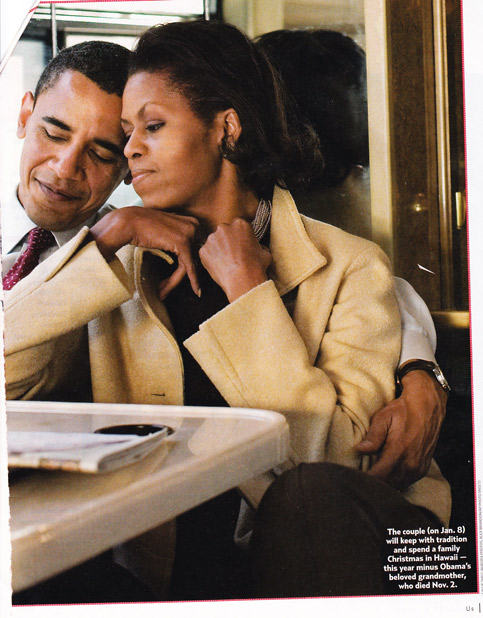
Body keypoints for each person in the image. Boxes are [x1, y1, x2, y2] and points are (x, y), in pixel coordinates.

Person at [4, 20, 449, 598]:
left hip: (313, 559)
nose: (131, 150)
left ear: (226, 128)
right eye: (127, 133)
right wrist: (105, 243)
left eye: (152, 127)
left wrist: (248, 294)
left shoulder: (348, 264)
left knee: (308, 497)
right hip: (158, 573)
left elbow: (337, 473)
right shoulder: (115, 266)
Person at [256, 28, 449, 492]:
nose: (371, 114)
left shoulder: (351, 216)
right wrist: (421, 370)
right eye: (360, 96)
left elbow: (376, 282)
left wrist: (422, 370)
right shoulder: (269, 221)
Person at [2, 41, 133, 289]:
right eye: (53, 135)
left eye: (101, 155)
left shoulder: (141, 265)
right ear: (24, 117)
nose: (65, 169)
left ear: (132, 166)